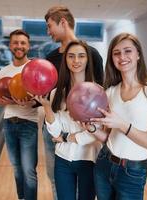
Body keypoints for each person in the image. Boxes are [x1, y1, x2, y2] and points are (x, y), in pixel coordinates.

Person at [91, 33, 147, 200]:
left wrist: (122, 124)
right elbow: (107, 138)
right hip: (104, 162)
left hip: (132, 172)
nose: (122, 57)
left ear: (138, 54)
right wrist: (90, 128)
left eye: (128, 51)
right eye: (116, 53)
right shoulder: (110, 92)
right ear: (112, 58)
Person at [42, 6, 104, 199]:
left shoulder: (97, 92)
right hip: (62, 159)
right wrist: (46, 108)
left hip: (88, 158)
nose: (76, 60)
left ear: (88, 59)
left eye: (81, 56)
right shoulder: (57, 93)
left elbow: (96, 130)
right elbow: (54, 130)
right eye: (70, 56)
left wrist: (68, 137)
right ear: (65, 60)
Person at [0, 29, 38, 200]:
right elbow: (0, 97)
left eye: (22, 43)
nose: (19, 46)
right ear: (10, 45)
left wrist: (29, 102)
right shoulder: (3, 70)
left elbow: (40, 97)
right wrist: (2, 101)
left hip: (28, 122)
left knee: (28, 169)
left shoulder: (34, 68)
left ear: (28, 46)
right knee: (16, 167)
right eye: (15, 42)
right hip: (8, 122)